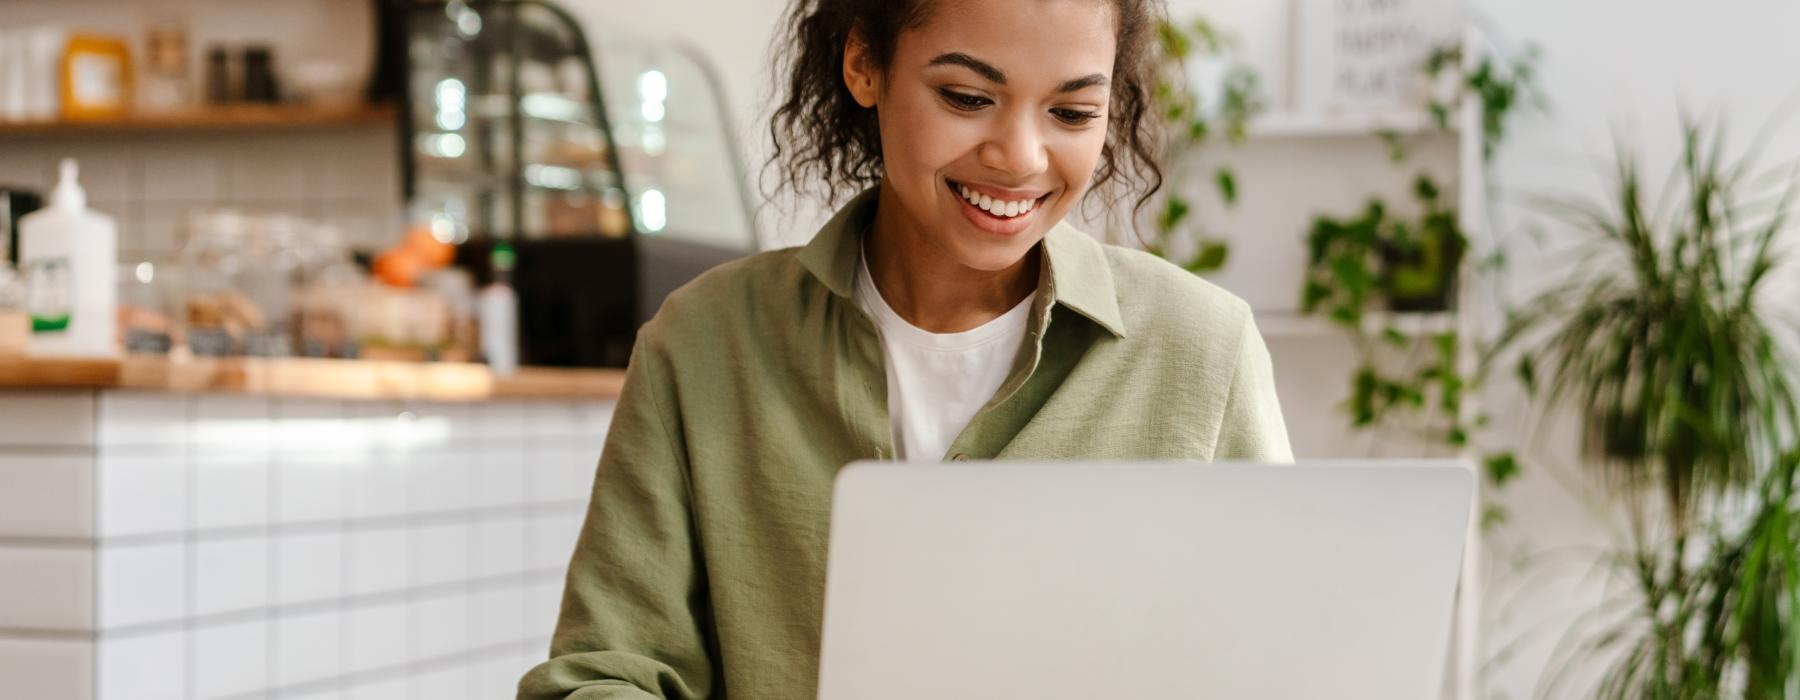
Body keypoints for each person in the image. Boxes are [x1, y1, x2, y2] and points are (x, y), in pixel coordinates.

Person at [518, 0, 1291, 697]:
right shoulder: (705, 344)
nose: (1021, 156)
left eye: (1073, 111)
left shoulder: (1202, 350)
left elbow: (1280, 662)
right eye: (967, 98)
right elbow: (605, 673)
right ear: (865, 64)